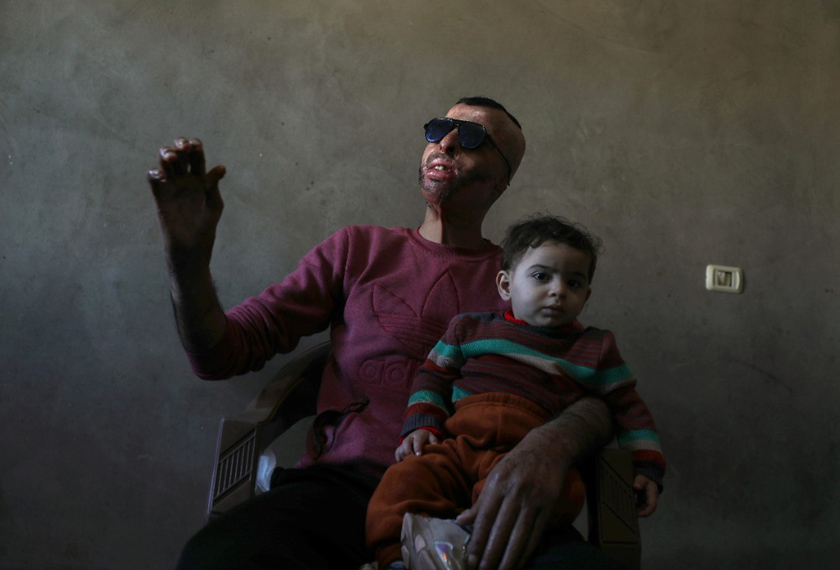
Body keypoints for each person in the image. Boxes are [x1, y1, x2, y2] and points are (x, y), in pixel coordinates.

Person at [147, 97, 620, 570]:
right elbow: (221, 355)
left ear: (501, 180)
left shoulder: (526, 279)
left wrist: (551, 446)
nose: (446, 141)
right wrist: (188, 262)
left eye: (472, 137)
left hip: (485, 496)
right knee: (218, 559)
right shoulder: (358, 250)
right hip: (344, 492)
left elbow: (597, 389)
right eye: (439, 128)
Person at [366, 215, 666, 569]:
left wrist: (646, 464)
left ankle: (472, 548)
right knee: (404, 481)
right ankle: (394, 559)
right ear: (506, 286)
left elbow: (627, 406)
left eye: (574, 282)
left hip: (527, 454)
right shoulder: (468, 328)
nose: (558, 290)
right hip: (457, 443)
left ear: (586, 296)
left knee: (562, 495)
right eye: (542, 276)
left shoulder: (595, 347)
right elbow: (433, 376)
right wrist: (421, 424)